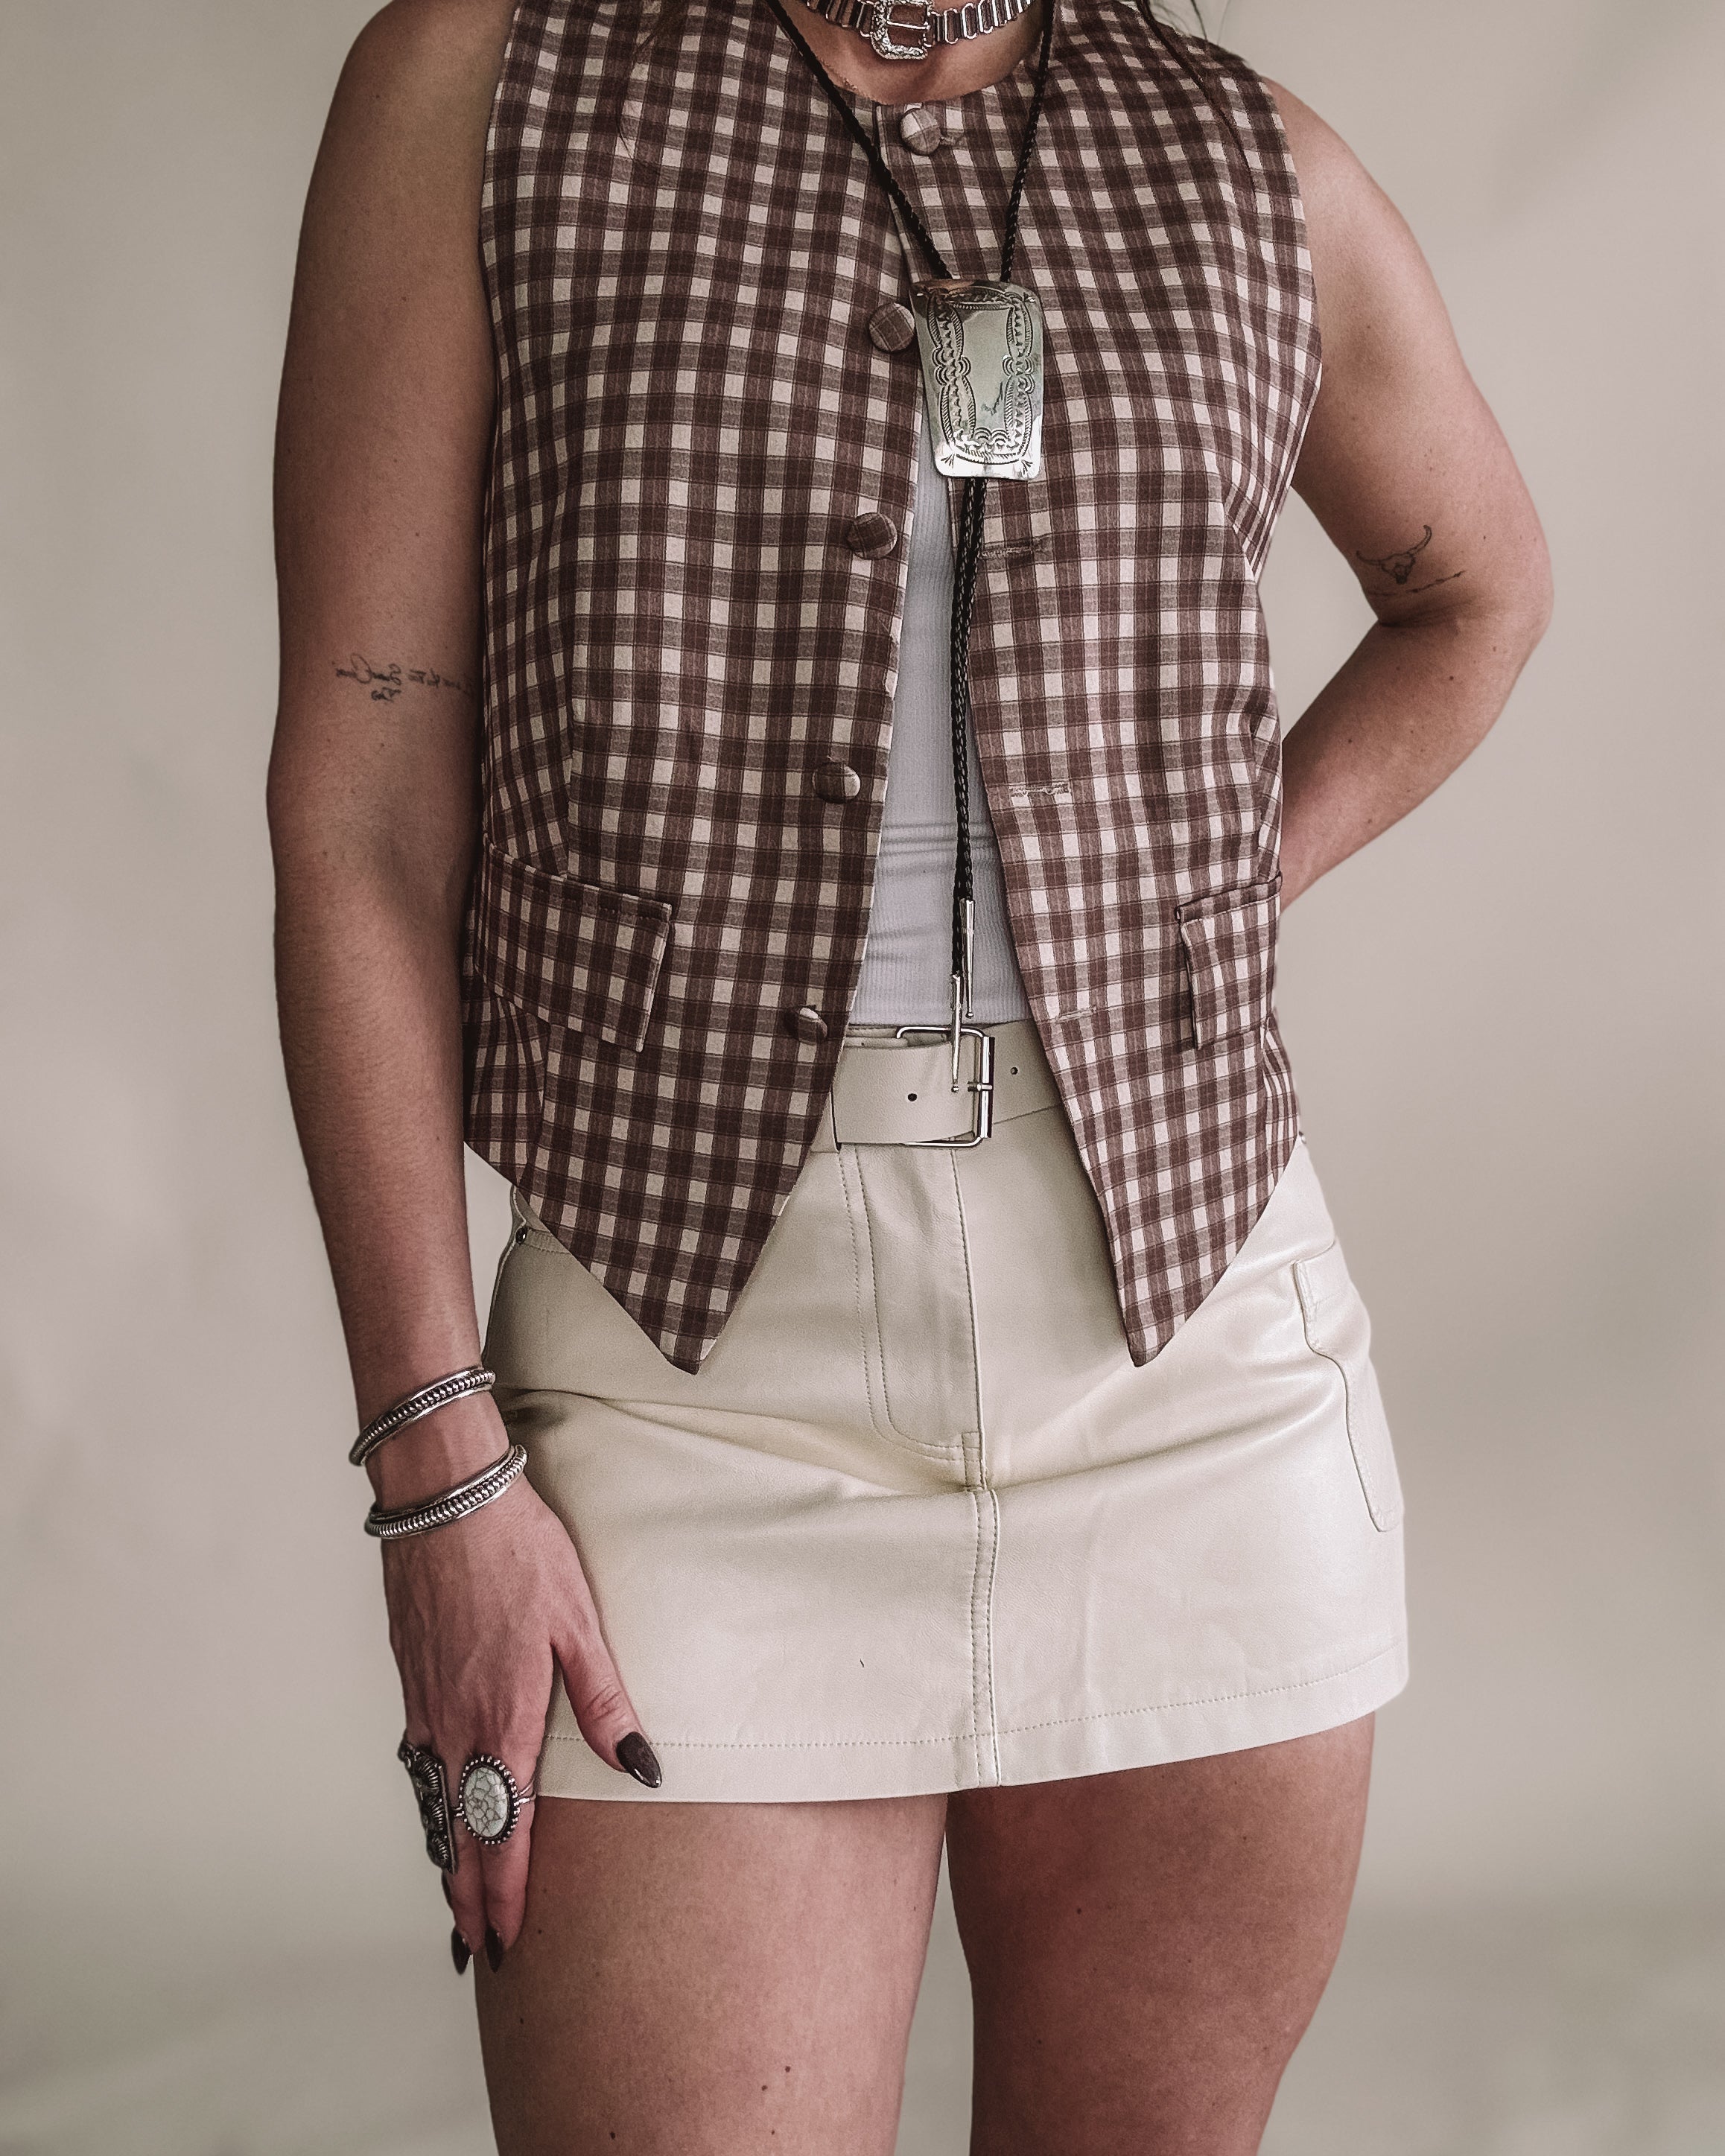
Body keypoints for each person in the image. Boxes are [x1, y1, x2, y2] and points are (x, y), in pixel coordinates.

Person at [269, 0, 1550, 2146]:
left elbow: (1474, 590)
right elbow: (366, 803)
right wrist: (437, 1465)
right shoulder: (490, 83)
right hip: (686, 1386)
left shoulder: (1242, 159)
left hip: (1189, 1366)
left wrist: (1203, 897)